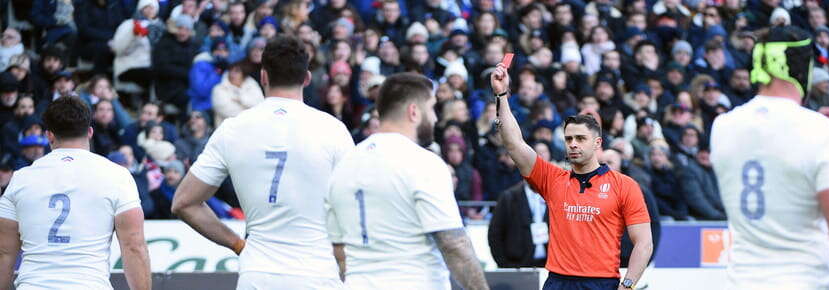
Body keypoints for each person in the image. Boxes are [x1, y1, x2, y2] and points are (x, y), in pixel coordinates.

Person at [171, 35, 351, 289]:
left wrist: (237, 244)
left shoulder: (233, 128)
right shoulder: (333, 129)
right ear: (307, 78)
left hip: (258, 273)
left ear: (263, 76)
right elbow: (353, 207)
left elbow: (183, 203)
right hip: (317, 273)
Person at [710, 26, 829, 290]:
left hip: (742, 281)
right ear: (801, 68)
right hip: (805, 280)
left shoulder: (722, 127)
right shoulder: (821, 133)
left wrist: (813, 119)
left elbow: (770, 142)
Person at [492, 63, 653, 289]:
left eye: (580, 138)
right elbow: (514, 144)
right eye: (569, 139)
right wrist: (501, 95)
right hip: (558, 281)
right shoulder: (552, 179)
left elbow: (644, 243)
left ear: (598, 143)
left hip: (603, 283)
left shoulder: (624, 185)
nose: (573, 144)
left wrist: (627, 285)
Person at [326, 72, 489, 290]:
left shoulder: (343, 166)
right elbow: (454, 244)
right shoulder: (423, 163)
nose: (434, 118)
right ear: (414, 111)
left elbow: (338, 250)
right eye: (431, 108)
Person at [0, 97, 150, 289]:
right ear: (89, 132)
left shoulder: (21, 179)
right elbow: (134, 246)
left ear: (49, 136)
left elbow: (4, 251)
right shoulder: (117, 175)